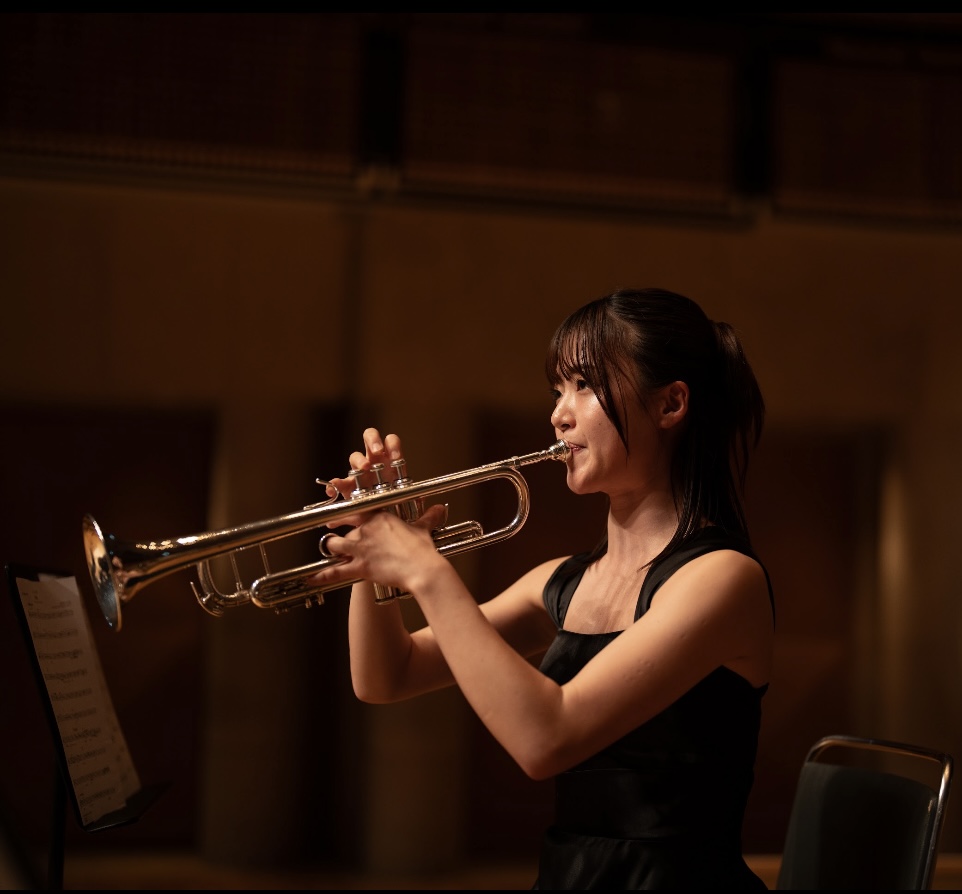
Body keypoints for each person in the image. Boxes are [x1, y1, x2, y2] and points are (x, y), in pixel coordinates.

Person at [312, 287, 774, 890]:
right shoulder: (563, 581)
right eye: (558, 390)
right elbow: (385, 677)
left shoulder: (723, 579)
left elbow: (545, 739)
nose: (559, 413)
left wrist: (426, 571)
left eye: (585, 385)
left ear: (671, 404)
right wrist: (377, 547)